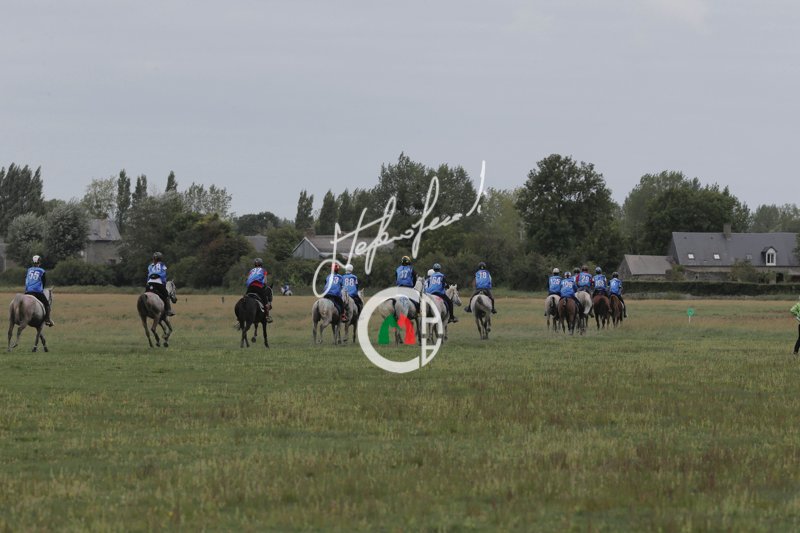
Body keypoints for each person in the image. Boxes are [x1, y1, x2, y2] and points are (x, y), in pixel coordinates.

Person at [25, 255, 54, 326]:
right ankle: (47, 319)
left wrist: (27, 289)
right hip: (37, 292)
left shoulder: (29, 270)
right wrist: (42, 289)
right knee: (47, 305)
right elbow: (43, 282)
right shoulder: (42, 271)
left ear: (32, 262)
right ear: (39, 262)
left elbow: (26, 280)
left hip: (28, 291)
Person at [146, 252, 173, 318]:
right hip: (158, 283)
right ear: (160, 258)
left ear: (153, 258)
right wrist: (164, 283)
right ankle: (169, 310)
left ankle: (144, 309)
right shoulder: (162, 265)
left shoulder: (150, 266)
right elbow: (163, 275)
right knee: (166, 295)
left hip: (150, 283)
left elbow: (148, 275)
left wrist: (147, 283)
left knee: (146, 296)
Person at [245, 258, 273, 323]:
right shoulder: (264, 270)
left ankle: (239, 319)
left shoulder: (251, 270)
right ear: (261, 263)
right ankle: (267, 317)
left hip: (250, 287)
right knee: (265, 302)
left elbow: (247, 279)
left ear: (255, 264)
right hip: (258, 287)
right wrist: (264, 285)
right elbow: (265, 281)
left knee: (244, 300)